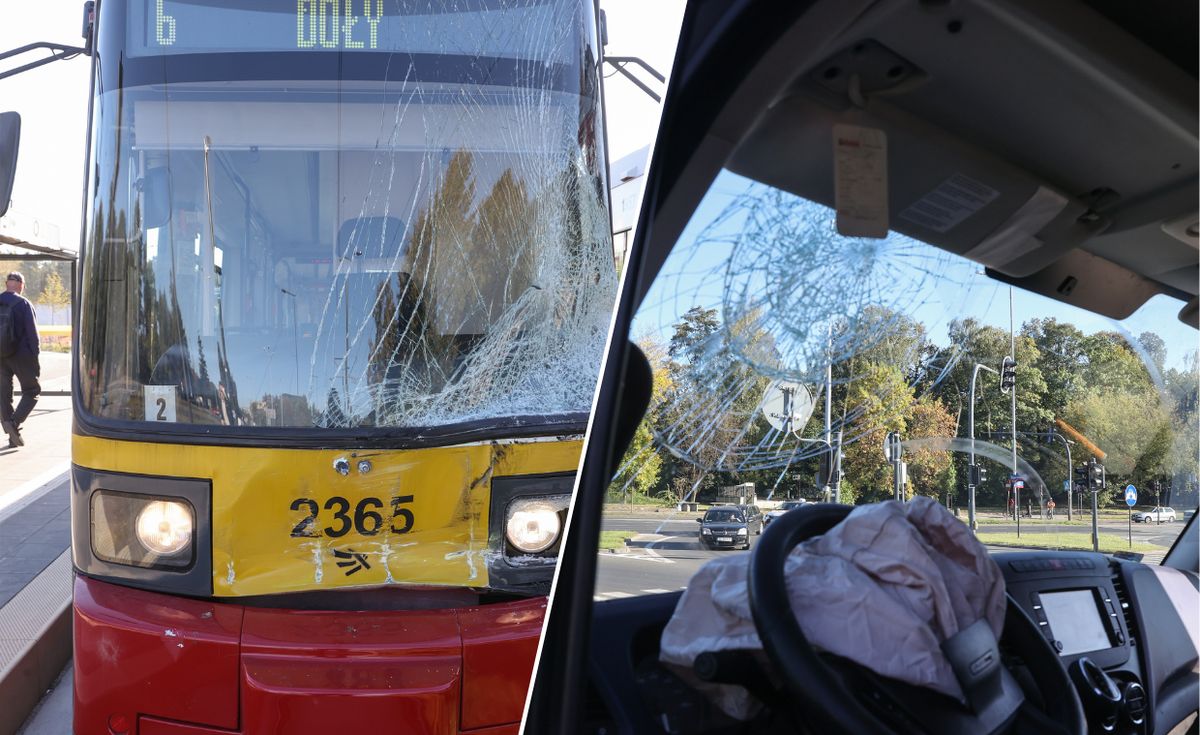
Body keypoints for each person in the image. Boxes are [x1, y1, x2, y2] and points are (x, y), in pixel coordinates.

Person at [0, 271, 41, 448]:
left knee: (3, 396)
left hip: (0, 356)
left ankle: (12, 436)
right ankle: (14, 423)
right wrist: (36, 355)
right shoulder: (23, 303)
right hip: (22, 356)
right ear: (21, 285)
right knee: (32, 391)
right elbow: (33, 334)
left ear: (6, 283)